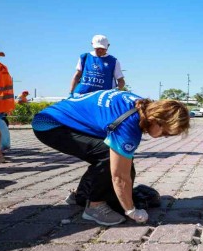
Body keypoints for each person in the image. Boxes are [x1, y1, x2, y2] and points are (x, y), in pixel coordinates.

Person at [32, 90, 190, 226]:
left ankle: (81, 196)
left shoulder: (139, 105)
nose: (165, 137)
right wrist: (131, 210)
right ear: (156, 120)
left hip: (58, 117)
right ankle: (94, 207)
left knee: (120, 161)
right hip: (49, 124)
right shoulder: (128, 124)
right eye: (166, 133)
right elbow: (119, 176)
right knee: (108, 156)